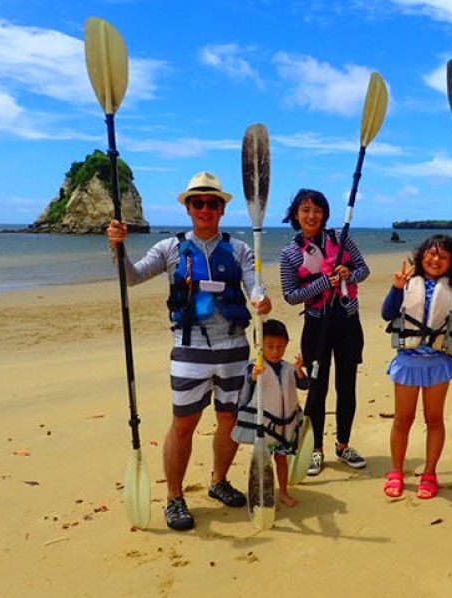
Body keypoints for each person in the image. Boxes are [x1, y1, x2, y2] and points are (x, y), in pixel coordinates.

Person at [107, 171, 272, 531]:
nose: (206, 209)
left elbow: (255, 287)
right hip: (189, 349)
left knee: (229, 420)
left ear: (222, 209)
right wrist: (118, 248)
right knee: (184, 424)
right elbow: (132, 277)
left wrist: (261, 300)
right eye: (198, 203)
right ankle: (175, 498)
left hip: (233, 347)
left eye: (213, 203)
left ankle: (219, 480)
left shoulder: (240, 248)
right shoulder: (169, 248)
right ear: (188, 208)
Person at [380, 234, 452, 499]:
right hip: (408, 361)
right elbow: (388, 314)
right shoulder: (408, 283)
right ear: (422, 255)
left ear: (451, 263)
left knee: (434, 419)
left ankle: (430, 473)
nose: (436, 259)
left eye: (443, 256)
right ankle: (397, 471)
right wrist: (396, 287)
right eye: (431, 253)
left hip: (438, 363)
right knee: (403, 419)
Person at [279, 189, 370, 476]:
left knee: (347, 385)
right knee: (317, 389)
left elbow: (364, 270)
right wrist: (323, 283)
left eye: (317, 210)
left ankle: (343, 445)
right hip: (317, 325)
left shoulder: (341, 241)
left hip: (346, 320)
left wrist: (346, 275)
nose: (311, 216)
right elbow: (291, 295)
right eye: (305, 210)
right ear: (296, 215)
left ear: (325, 215)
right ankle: (315, 448)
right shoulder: (290, 253)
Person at [233, 319, 309, 507]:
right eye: (270, 347)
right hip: (264, 429)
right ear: (259, 346)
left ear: (287, 344)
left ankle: (283, 492)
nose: (276, 351)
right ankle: (262, 496)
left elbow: (304, 385)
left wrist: (300, 371)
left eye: (280, 347)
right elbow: (244, 396)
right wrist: (253, 378)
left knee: (282, 460)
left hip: (285, 428)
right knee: (262, 465)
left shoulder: (289, 368)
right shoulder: (254, 368)